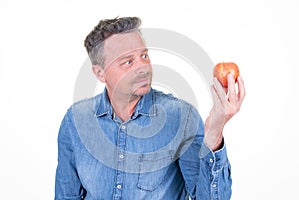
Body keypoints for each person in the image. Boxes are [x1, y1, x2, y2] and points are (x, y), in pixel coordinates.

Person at [55, 17, 245, 200]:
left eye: (144, 56)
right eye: (128, 61)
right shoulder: (75, 120)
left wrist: (214, 135)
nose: (143, 67)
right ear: (100, 73)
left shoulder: (181, 117)